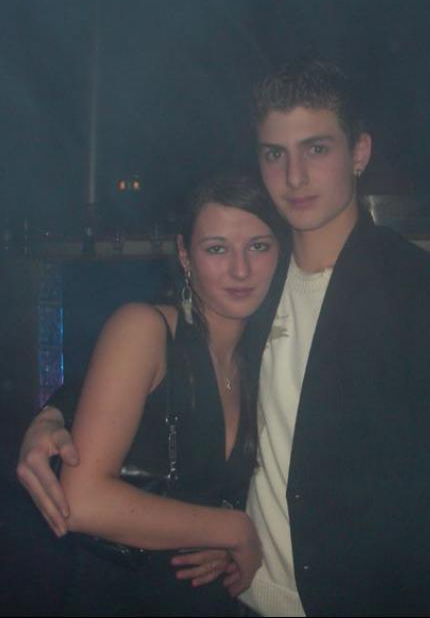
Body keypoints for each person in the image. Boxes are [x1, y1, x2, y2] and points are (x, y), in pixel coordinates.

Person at [17, 58, 430, 616]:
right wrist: (54, 414)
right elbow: (162, 350)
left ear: (359, 153)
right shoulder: (257, 283)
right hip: (242, 596)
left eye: (316, 149)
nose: (294, 176)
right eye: (275, 154)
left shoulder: (422, 291)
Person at [18, 175, 287, 616]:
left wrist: (222, 534)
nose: (240, 270)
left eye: (258, 246)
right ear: (184, 254)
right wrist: (234, 529)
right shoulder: (145, 329)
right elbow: (83, 501)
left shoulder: (258, 362)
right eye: (216, 249)